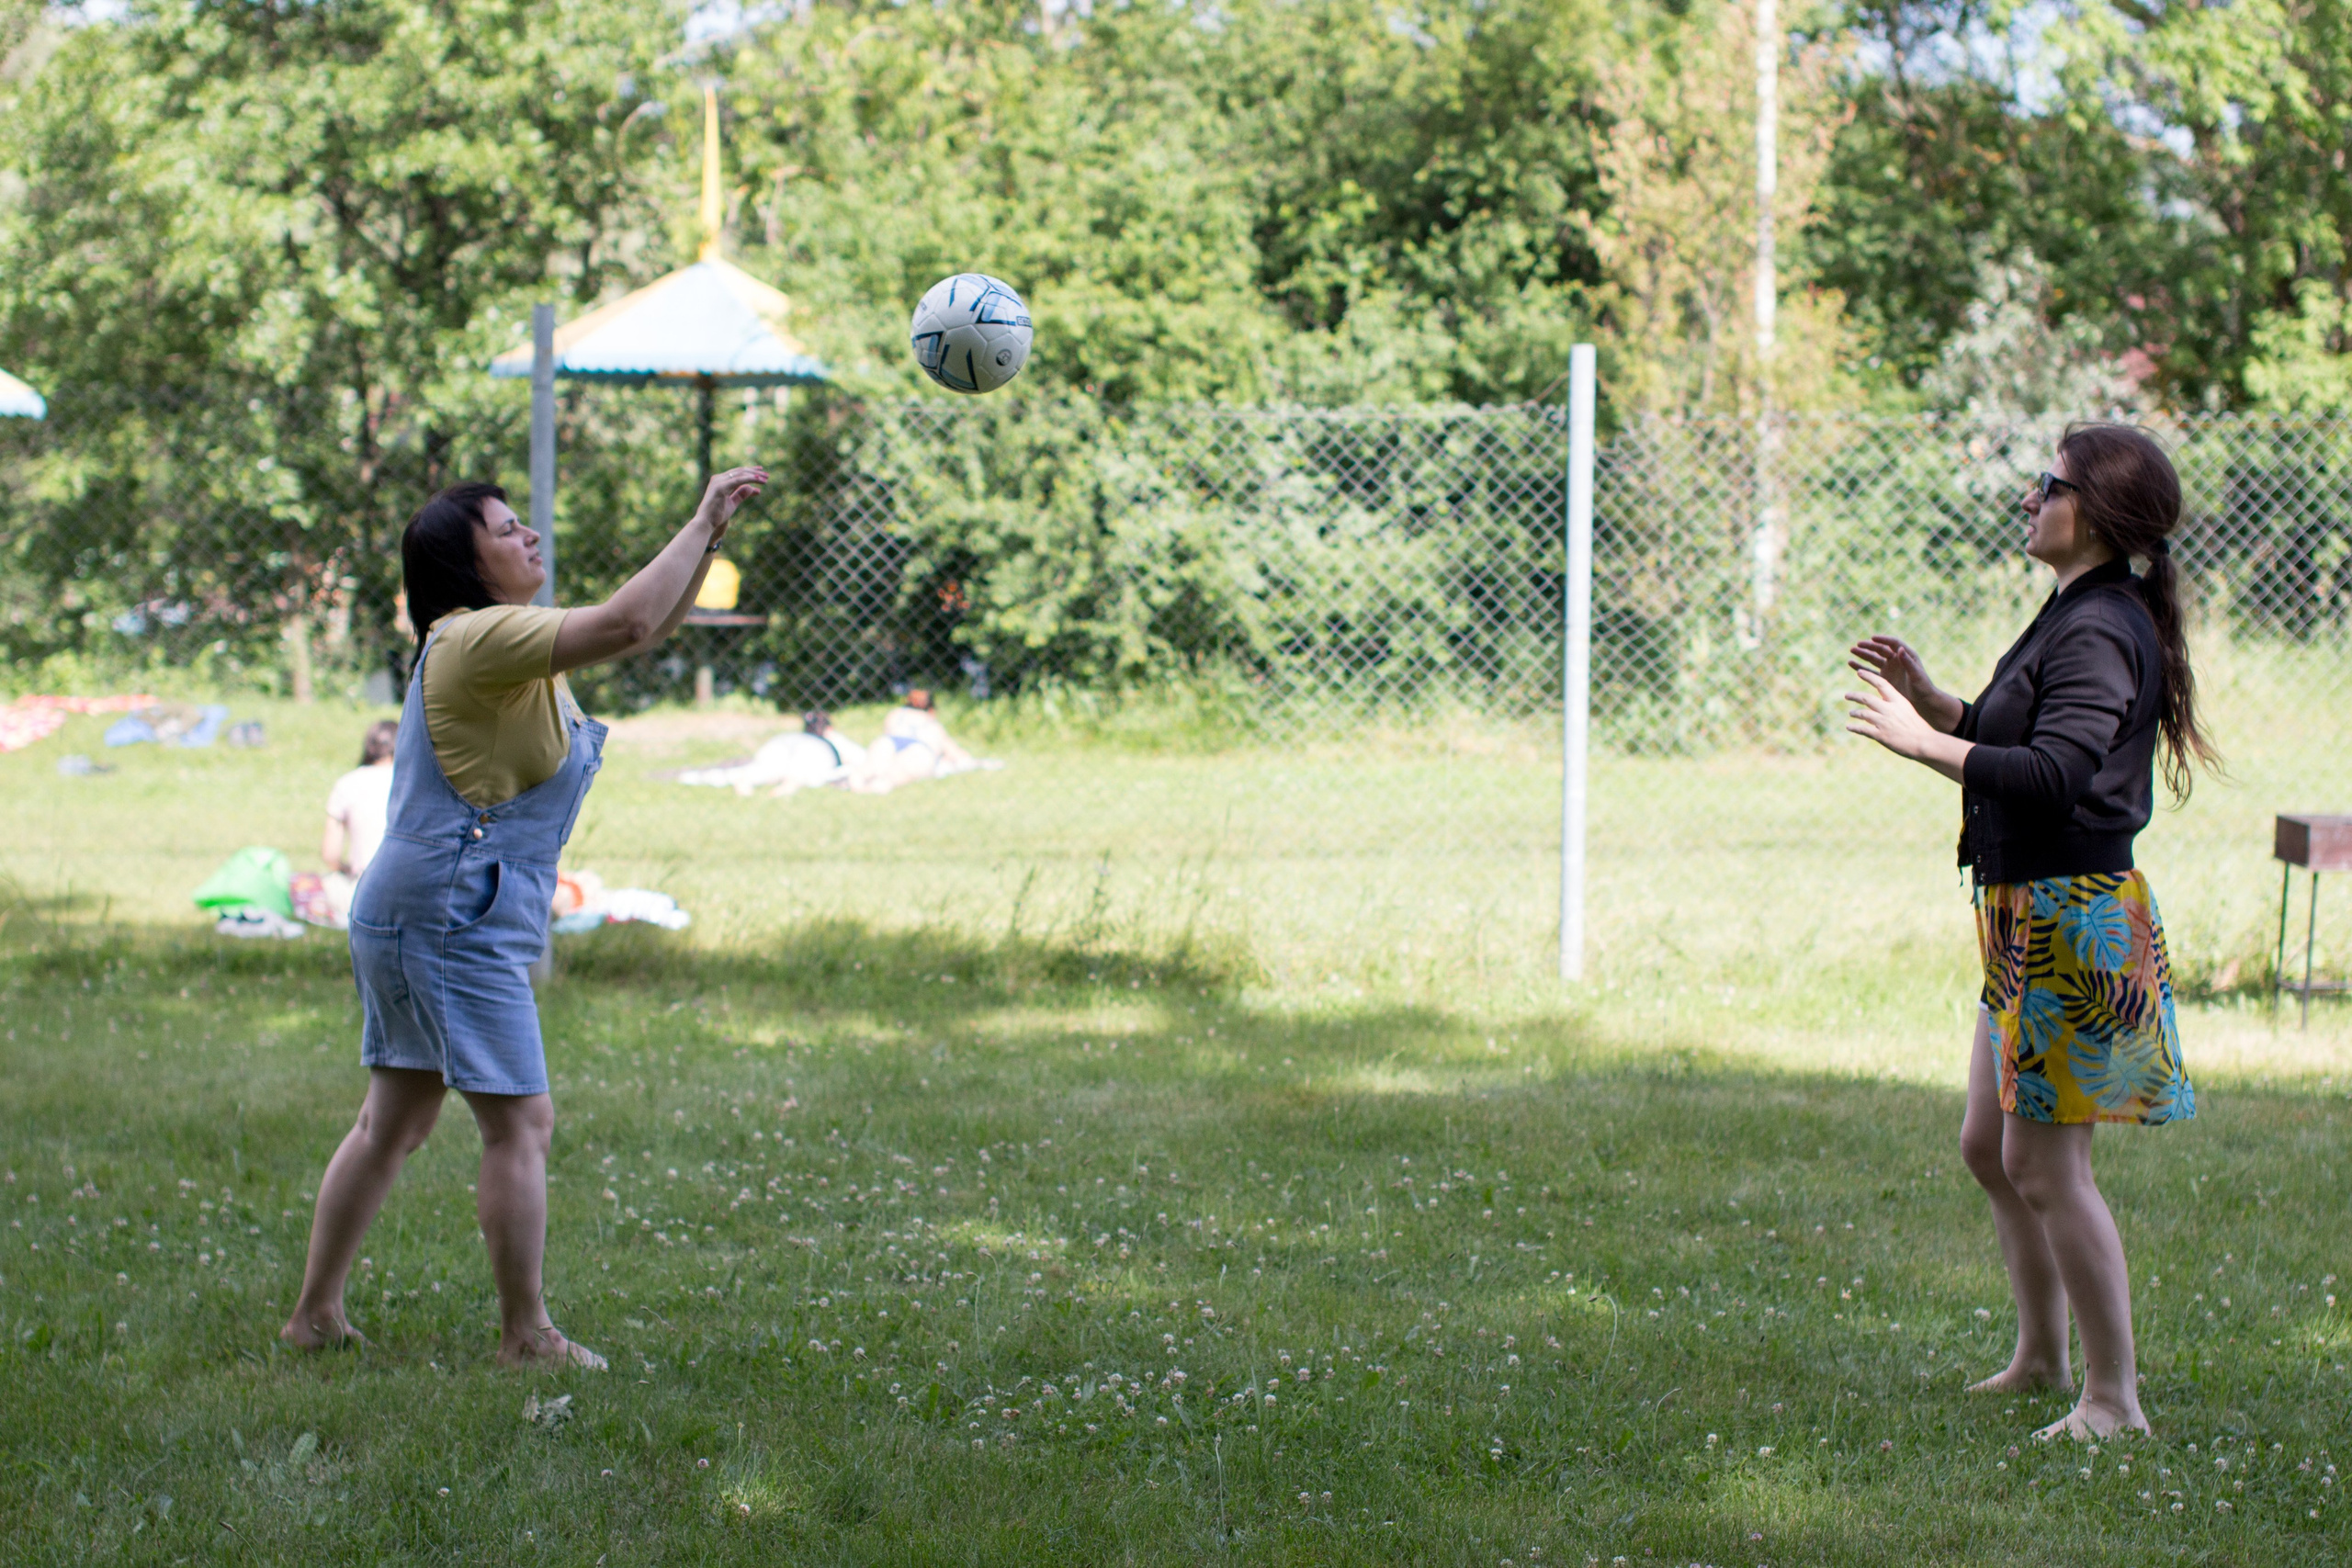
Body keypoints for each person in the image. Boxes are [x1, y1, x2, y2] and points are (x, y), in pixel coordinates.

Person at [282, 463, 768, 1368]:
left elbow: (645, 628)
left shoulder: (498, 644)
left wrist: (706, 537)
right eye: (507, 531)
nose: (531, 537)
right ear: (464, 566)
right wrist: (697, 512)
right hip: (450, 912)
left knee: (394, 1121)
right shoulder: (475, 640)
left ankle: (315, 1316)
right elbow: (626, 619)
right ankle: (525, 1335)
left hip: (433, 902)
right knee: (521, 1121)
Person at [1846, 423, 2215, 1443]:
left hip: (2072, 920)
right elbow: (2030, 737)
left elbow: (2058, 775)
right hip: (2024, 915)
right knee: (1986, 1145)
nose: (2028, 497)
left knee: (2051, 1167)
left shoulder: (2100, 625)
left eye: (2045, 485)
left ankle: (2112, 1399)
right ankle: (2043, 1358)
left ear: (2089, 511)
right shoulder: (2074, 611)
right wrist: (1943, 705)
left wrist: (1924, 747)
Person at [307, 720, 398, 926]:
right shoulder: (411, 784)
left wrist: (345, 868)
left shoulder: (347, 783)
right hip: (408, 893)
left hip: (361, 890)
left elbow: (330, 855)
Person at [674, 709, 865, 796]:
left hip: (781, 742)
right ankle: (787, 787)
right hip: (815, 751)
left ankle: (746, 783)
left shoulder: (795, 735)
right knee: (800, 772)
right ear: (828, 729)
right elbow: (861, 759)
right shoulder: (831, 739)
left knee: (766, 769)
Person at [849, 688, 975, 794]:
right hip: (920, 749)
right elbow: (957, 754)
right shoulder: (932, 722)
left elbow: (887, 732)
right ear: (931, 709)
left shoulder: (895, 714)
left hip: (889, 741)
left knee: (869, 768)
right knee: (893, 776)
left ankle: (857, 782)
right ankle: (879, 785)